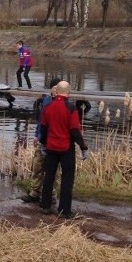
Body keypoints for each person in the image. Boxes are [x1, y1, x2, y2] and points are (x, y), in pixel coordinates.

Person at [39, 81, 89, 219]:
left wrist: (43, 144)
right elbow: (75, 130)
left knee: (49, 175)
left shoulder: (47, 106)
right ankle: (64, 210)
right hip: (66, 147)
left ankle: (45, 205)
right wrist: (83, 147)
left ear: (56, 91)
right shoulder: (71, 108)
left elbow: (43, 128)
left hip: (51, 146)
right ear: (68, 92)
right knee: (67, 178)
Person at [22, 77, 61, 204]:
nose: (56, 91)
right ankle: (35, 192)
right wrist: (36, 135)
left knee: (53, 170)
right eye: (55, 88)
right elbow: (41, 121)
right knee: (37, 166)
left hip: (55, 141)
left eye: (58, 88)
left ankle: (52, 195)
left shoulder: (63, 103)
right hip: (42, 138)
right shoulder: (46, 101)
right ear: (51, 88)